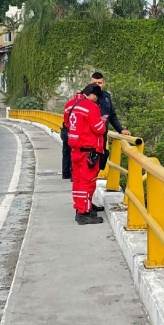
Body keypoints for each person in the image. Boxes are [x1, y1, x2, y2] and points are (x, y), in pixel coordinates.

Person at [63, 83, 107, 225]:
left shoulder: (70, 105)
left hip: (75, 149)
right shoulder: (90, 106)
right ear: (93, 95)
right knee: (87, 181)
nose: (96, 100)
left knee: (78, 180)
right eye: (96, 97)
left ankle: (82, 206)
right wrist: (103, 121)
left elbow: (67, 124)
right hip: (88, 149)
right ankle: (83, 213)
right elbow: (99, 129)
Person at [89, 72, 130, 175]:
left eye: (100, 82)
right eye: (95, 82)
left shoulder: (107, 97)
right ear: (90, 83)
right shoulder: (85, 96)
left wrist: (121, 129)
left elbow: (112, 116)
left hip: (102, 136)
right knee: (89, 163)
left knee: (101, 161)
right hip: (88, 137)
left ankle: (92, 183)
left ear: (104, 83)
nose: (97, 85)